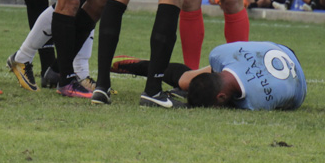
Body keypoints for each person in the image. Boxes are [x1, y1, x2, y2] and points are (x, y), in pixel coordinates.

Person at [110, 41, 306, 110]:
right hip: (279, 49)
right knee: (189, 81)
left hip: (298, 81)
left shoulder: (255, 102)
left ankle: (146, 67)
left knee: (187, 80)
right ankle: (142, 66)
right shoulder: (221, 54)